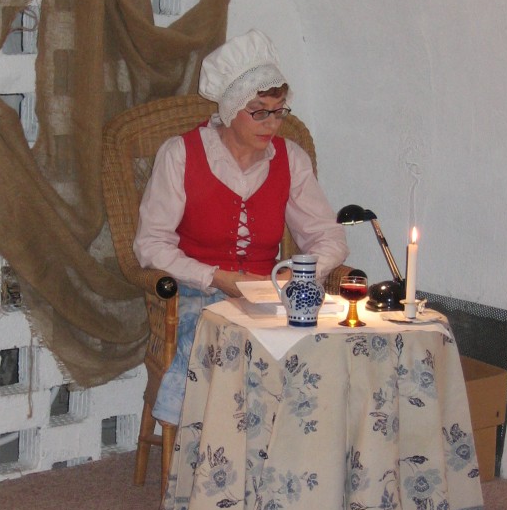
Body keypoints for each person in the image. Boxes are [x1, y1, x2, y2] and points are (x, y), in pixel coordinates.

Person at [133, 29, 348, 426]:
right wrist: (215, 277)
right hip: (200, 293)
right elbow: (151, 244)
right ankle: (221, 446)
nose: (272, 123)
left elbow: (328, 235)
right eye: (259, 111)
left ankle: (300, 445)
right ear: (231, 108)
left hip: (270, 294)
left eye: (279, 111)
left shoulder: (290, 159)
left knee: (325, 344)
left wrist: (300, 275)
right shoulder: (181, 154)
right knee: (226, 340)